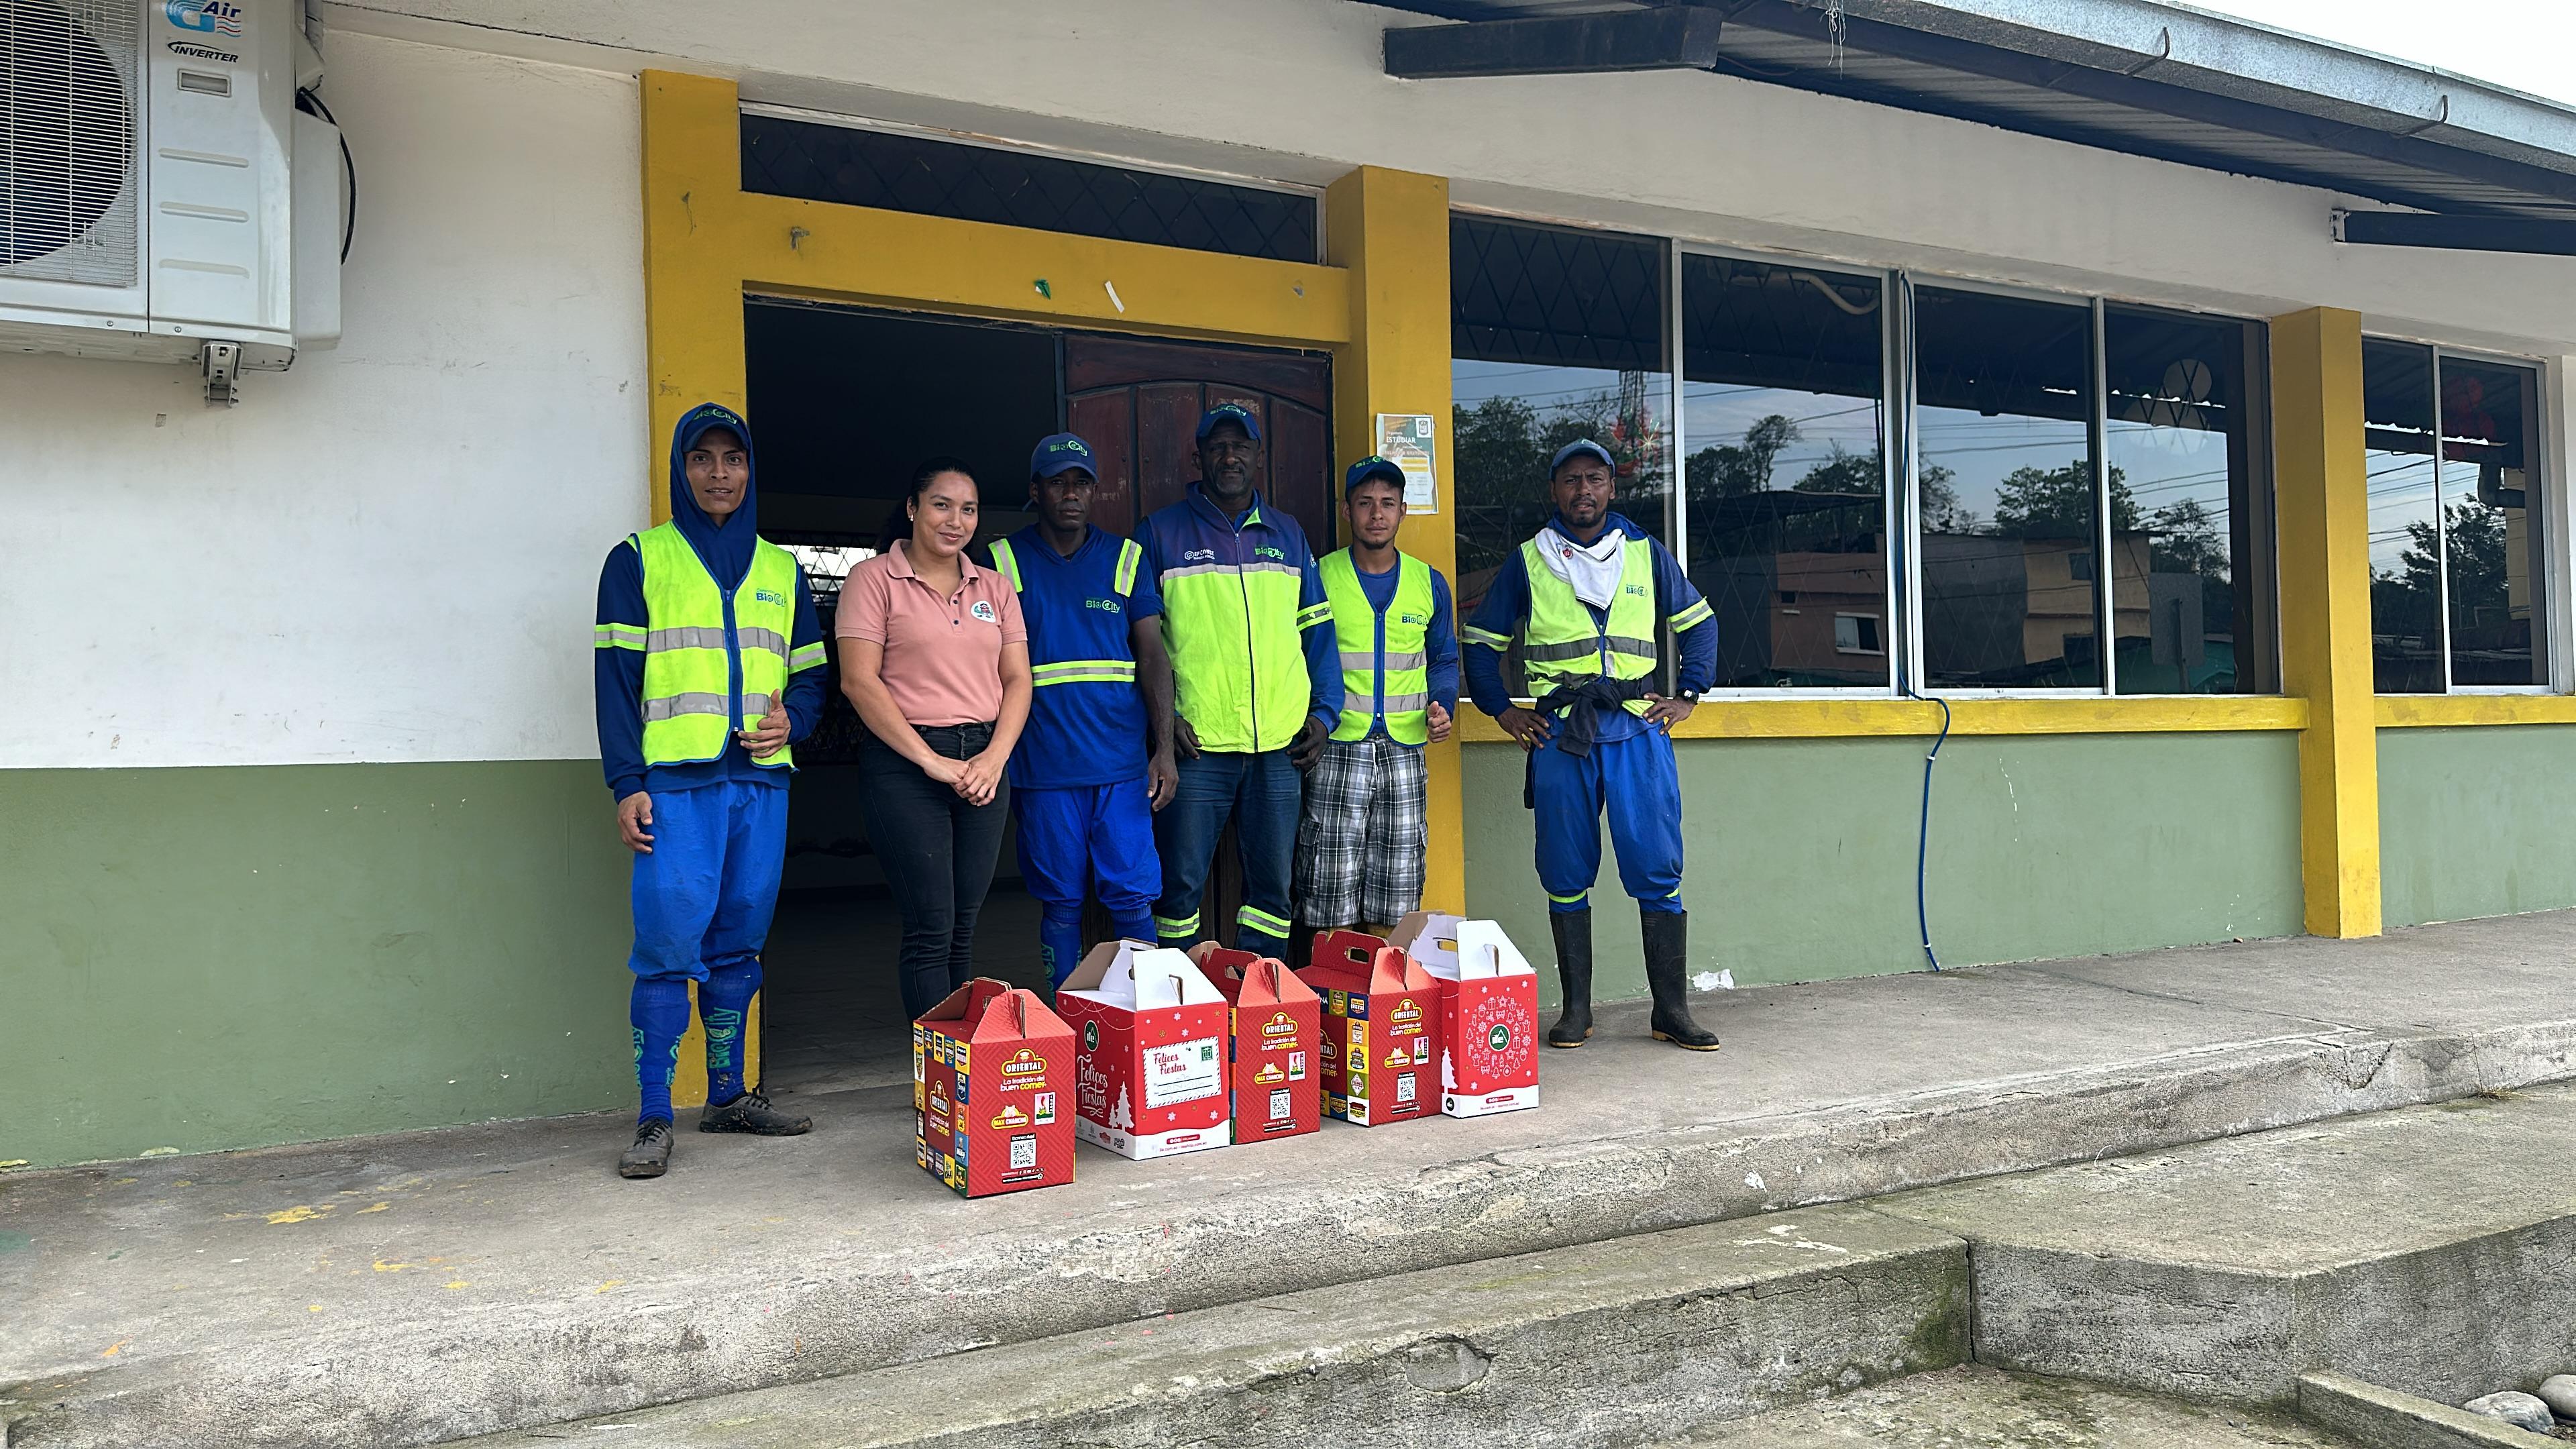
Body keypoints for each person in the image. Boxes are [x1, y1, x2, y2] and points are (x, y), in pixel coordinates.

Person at [594, 402, 827, 1180]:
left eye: (733, 459)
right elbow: (615, 681)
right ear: (680, 469)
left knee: (740, 943)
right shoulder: (638, 560)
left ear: (750, 470)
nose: (719, 474)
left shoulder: (783, 570)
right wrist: (626, 783)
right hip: (675, 788)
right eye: (702, 459)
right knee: (667, 949)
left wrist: (793, 721)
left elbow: (812, 676)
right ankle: (654, 1115)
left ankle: (727, 1096)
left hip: (759, 785)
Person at [1461, 439, 1721, 1053]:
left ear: (1611, 488)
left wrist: (1689, 694)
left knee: (1657, 865)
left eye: (1595, 479)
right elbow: (1479, 642)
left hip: (1636, 729)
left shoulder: (1645, 552)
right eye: (1572, 480)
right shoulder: (1529, 560)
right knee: (1564, 867)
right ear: (1555, 490)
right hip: (1562, 735)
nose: (1584, 490)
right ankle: (1577, 1010)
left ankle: (1671, 1010)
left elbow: (1699, 623)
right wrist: (1503, 711)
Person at [1131, 402, 1342, 959]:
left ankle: (1259, 995)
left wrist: (1325, 716)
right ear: (1198, 457)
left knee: (1273, 892)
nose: (1230, 457)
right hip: (1196, 746)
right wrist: (1163, 723)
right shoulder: (1160, 532)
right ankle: (1179, 999)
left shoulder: (1288, 534)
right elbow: (1139, 646)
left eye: (1241, 446)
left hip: (1280, 746)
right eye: (1218, 447)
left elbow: (1319, 635)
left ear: (1259, 457)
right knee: (1179, 888)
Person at [837, 458, 1032, 1022]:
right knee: (931, 924)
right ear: (912, 508)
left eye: (968, 509)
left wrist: (994, 759)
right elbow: (858, 681)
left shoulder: (994, 587)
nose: (955, 520)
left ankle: (958, 1057)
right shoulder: (873, 580)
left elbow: (1018, 680)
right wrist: (931, 761)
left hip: (985, 763)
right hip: (906, 765)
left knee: (963, 925)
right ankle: (937, 1059)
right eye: (941, 505)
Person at [985, 433, 1180, 986]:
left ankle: (1145, 1016)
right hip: (1041, 768)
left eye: (1082, 482)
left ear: (1095, 491)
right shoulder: (1001, 562)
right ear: (1036, 491)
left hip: (1121, 767)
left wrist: (1164, 750)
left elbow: (1153, 657)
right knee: (1061, 901)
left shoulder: (1126, 558)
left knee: (1134, 896)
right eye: (1058, 482)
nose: (1071, 493)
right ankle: (1064, 1014)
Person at [1294, 456, 1459, 938]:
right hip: (1337, 747)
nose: (1377, 513)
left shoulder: (1428, 582)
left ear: (1404, 510)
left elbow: (1443, 660)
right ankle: (1333, 983)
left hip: (1404, 752)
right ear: (1347, 511)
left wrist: (1444, 705)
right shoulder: (1320, 577)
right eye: (1365, 503)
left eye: (1388, 503)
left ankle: (1384, 985)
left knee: (1397, 891)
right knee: (1329, 889)